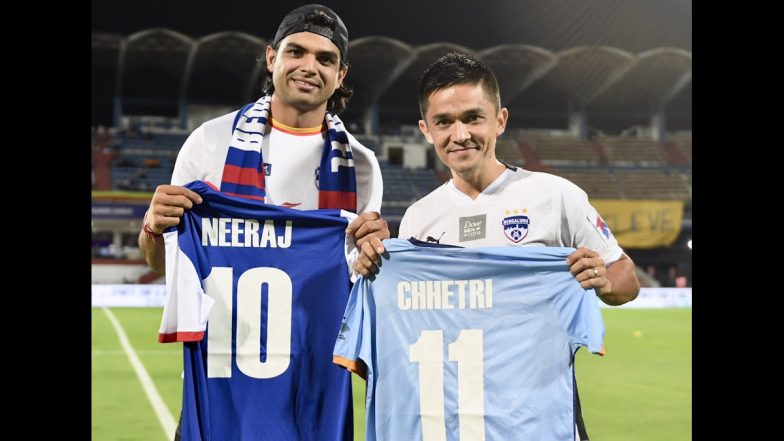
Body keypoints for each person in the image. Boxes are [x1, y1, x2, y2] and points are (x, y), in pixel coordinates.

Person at [352, 52, 639, 440]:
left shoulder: (554, 196)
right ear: (425, 129)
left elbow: (626, 276)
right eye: (444, 122)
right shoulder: (420, 217)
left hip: (537, 417)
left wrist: (603, 280)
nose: (460, 134)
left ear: (499, 120)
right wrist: (375, 263)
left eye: (473, 118)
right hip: (456, 421)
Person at [138, 4, 389, 440]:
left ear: (341, 74)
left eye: (325, 59)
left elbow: (357, 292)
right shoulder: (209, 143)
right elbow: (164, 264)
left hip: (311, 398)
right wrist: (153, 227)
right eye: (297, 52)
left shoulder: (360, 166)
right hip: (224, 395)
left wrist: (377, 258)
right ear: (272, 57)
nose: (309, 66)